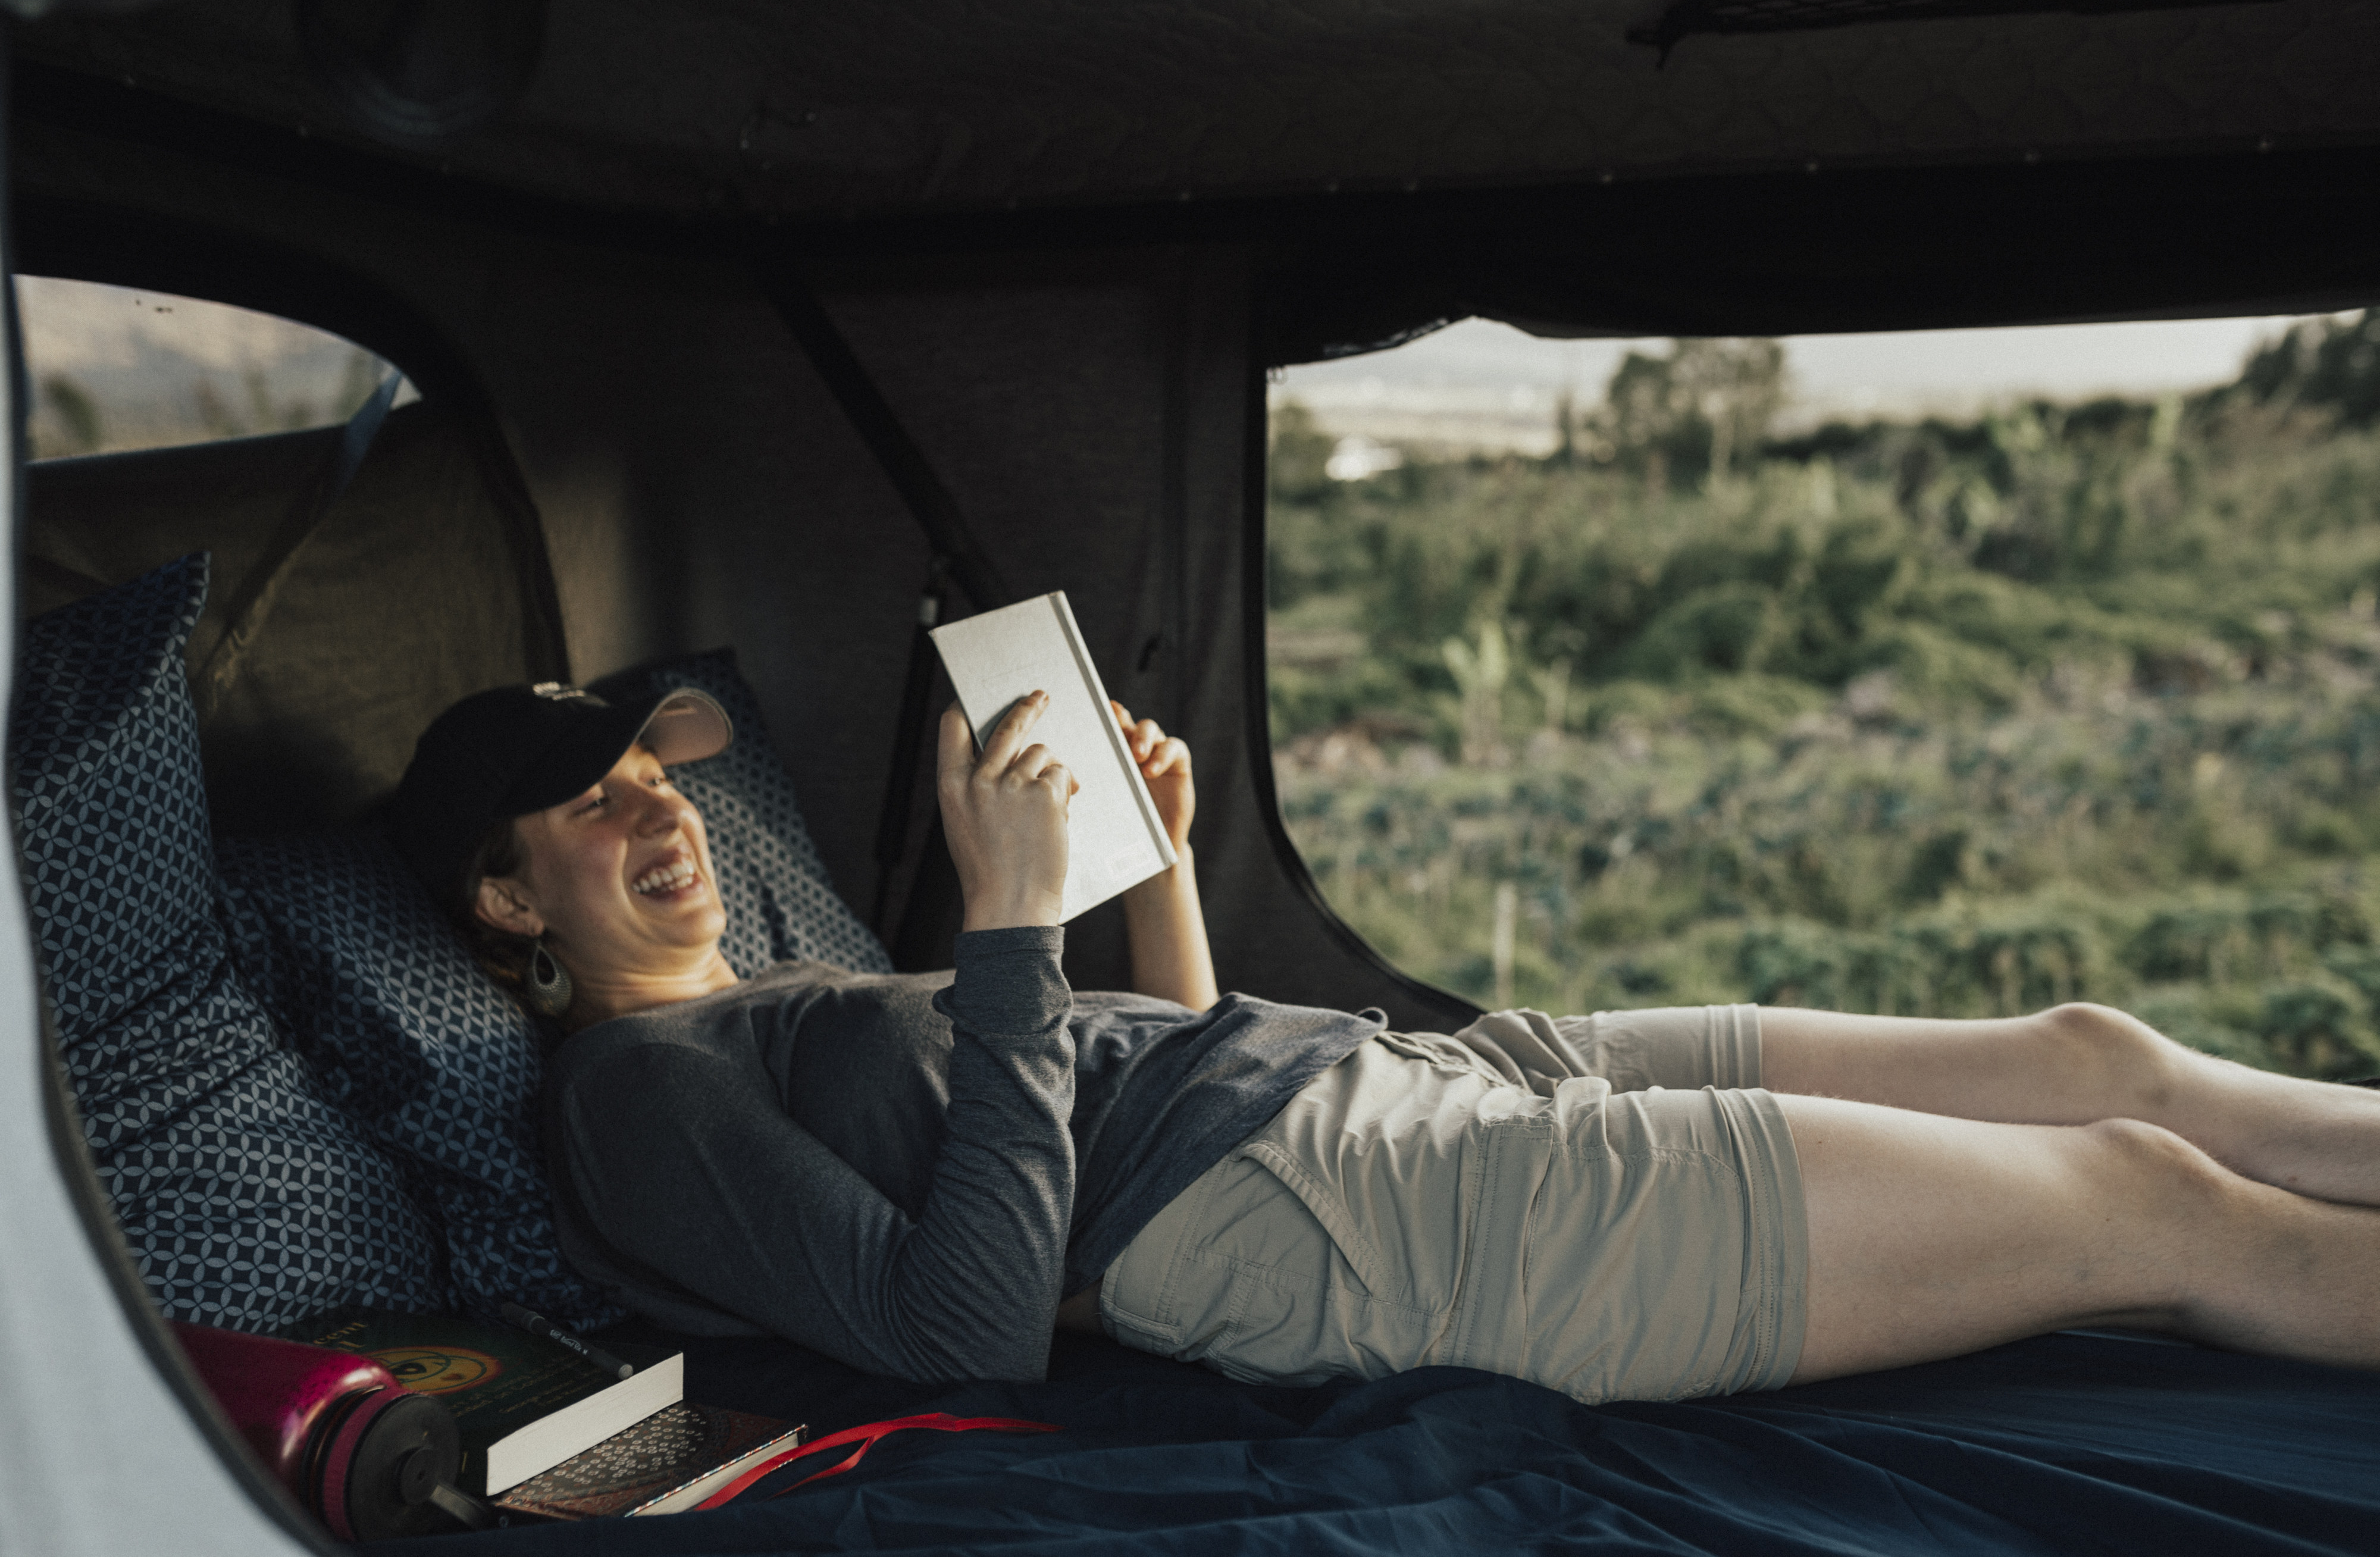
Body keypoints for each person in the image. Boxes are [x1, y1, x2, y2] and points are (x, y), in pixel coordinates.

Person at [388, 675, 2380, 1405]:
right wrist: (1004, 922)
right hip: (1389, 1215)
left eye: (659, 764)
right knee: (2146, 1200)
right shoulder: (639, 1091)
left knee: (2090, 1050)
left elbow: (1148, 1066)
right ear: (504, 903)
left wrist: (1152, 870)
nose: (659, 804)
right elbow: (969, 1322)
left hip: (1403, 1081)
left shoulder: (781, 995)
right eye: (591, 799)